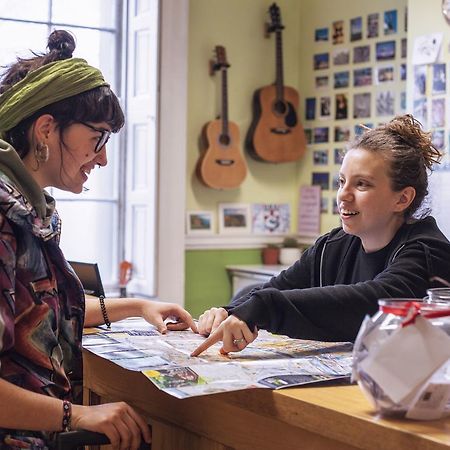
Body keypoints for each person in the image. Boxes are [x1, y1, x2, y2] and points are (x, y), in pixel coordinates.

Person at [0, 30, 197, 450]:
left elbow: (34, 309)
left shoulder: (28, 209)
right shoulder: (4, 217)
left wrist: (139, 306)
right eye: (98, 138)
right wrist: (79, 414)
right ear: (47, 130)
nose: (103, 157)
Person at [192, 114, 450, 357]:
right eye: (341, 182)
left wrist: (263, 308)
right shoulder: (332, 246)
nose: (343, 195)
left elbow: (377, 303)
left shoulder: (429, 251)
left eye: (362, 184)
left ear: (402, 198)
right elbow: (277, 288)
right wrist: (227, 313)